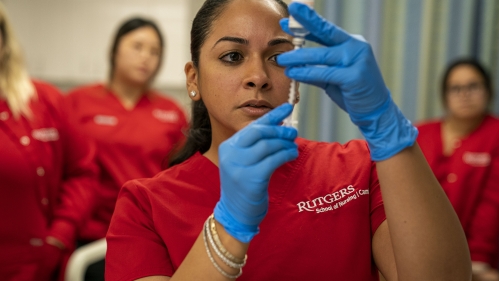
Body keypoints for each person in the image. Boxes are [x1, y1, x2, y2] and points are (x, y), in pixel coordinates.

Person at [105, 1, 471, 280]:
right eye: (233, 56)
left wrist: (388, 126)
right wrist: (229, 227)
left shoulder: (360, 167)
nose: (258, 76)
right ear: (193, 79)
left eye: (278, 58)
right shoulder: (145, 204)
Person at [65, 16, 188, 279]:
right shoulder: (77, 103)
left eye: (155, 51)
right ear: (114, 50)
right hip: (88, 235)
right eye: (137, 46)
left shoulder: (170, 112)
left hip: (149, 235)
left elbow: (181, 177)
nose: (146, 57)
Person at [0, 3, 98, 281]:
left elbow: (83, 172)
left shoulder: (46, 101)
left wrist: (60, 234)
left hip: (38, 265)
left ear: (5, 42)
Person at [417, 59, 499, 281]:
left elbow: (492, 204)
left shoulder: (495, 135)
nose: (465, 94)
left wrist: (477, 261)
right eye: (456, 88)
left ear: (488, 91)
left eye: (473, 86)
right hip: (420, 252)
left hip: (477, 261)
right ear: (445, 95)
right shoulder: (419, 133)